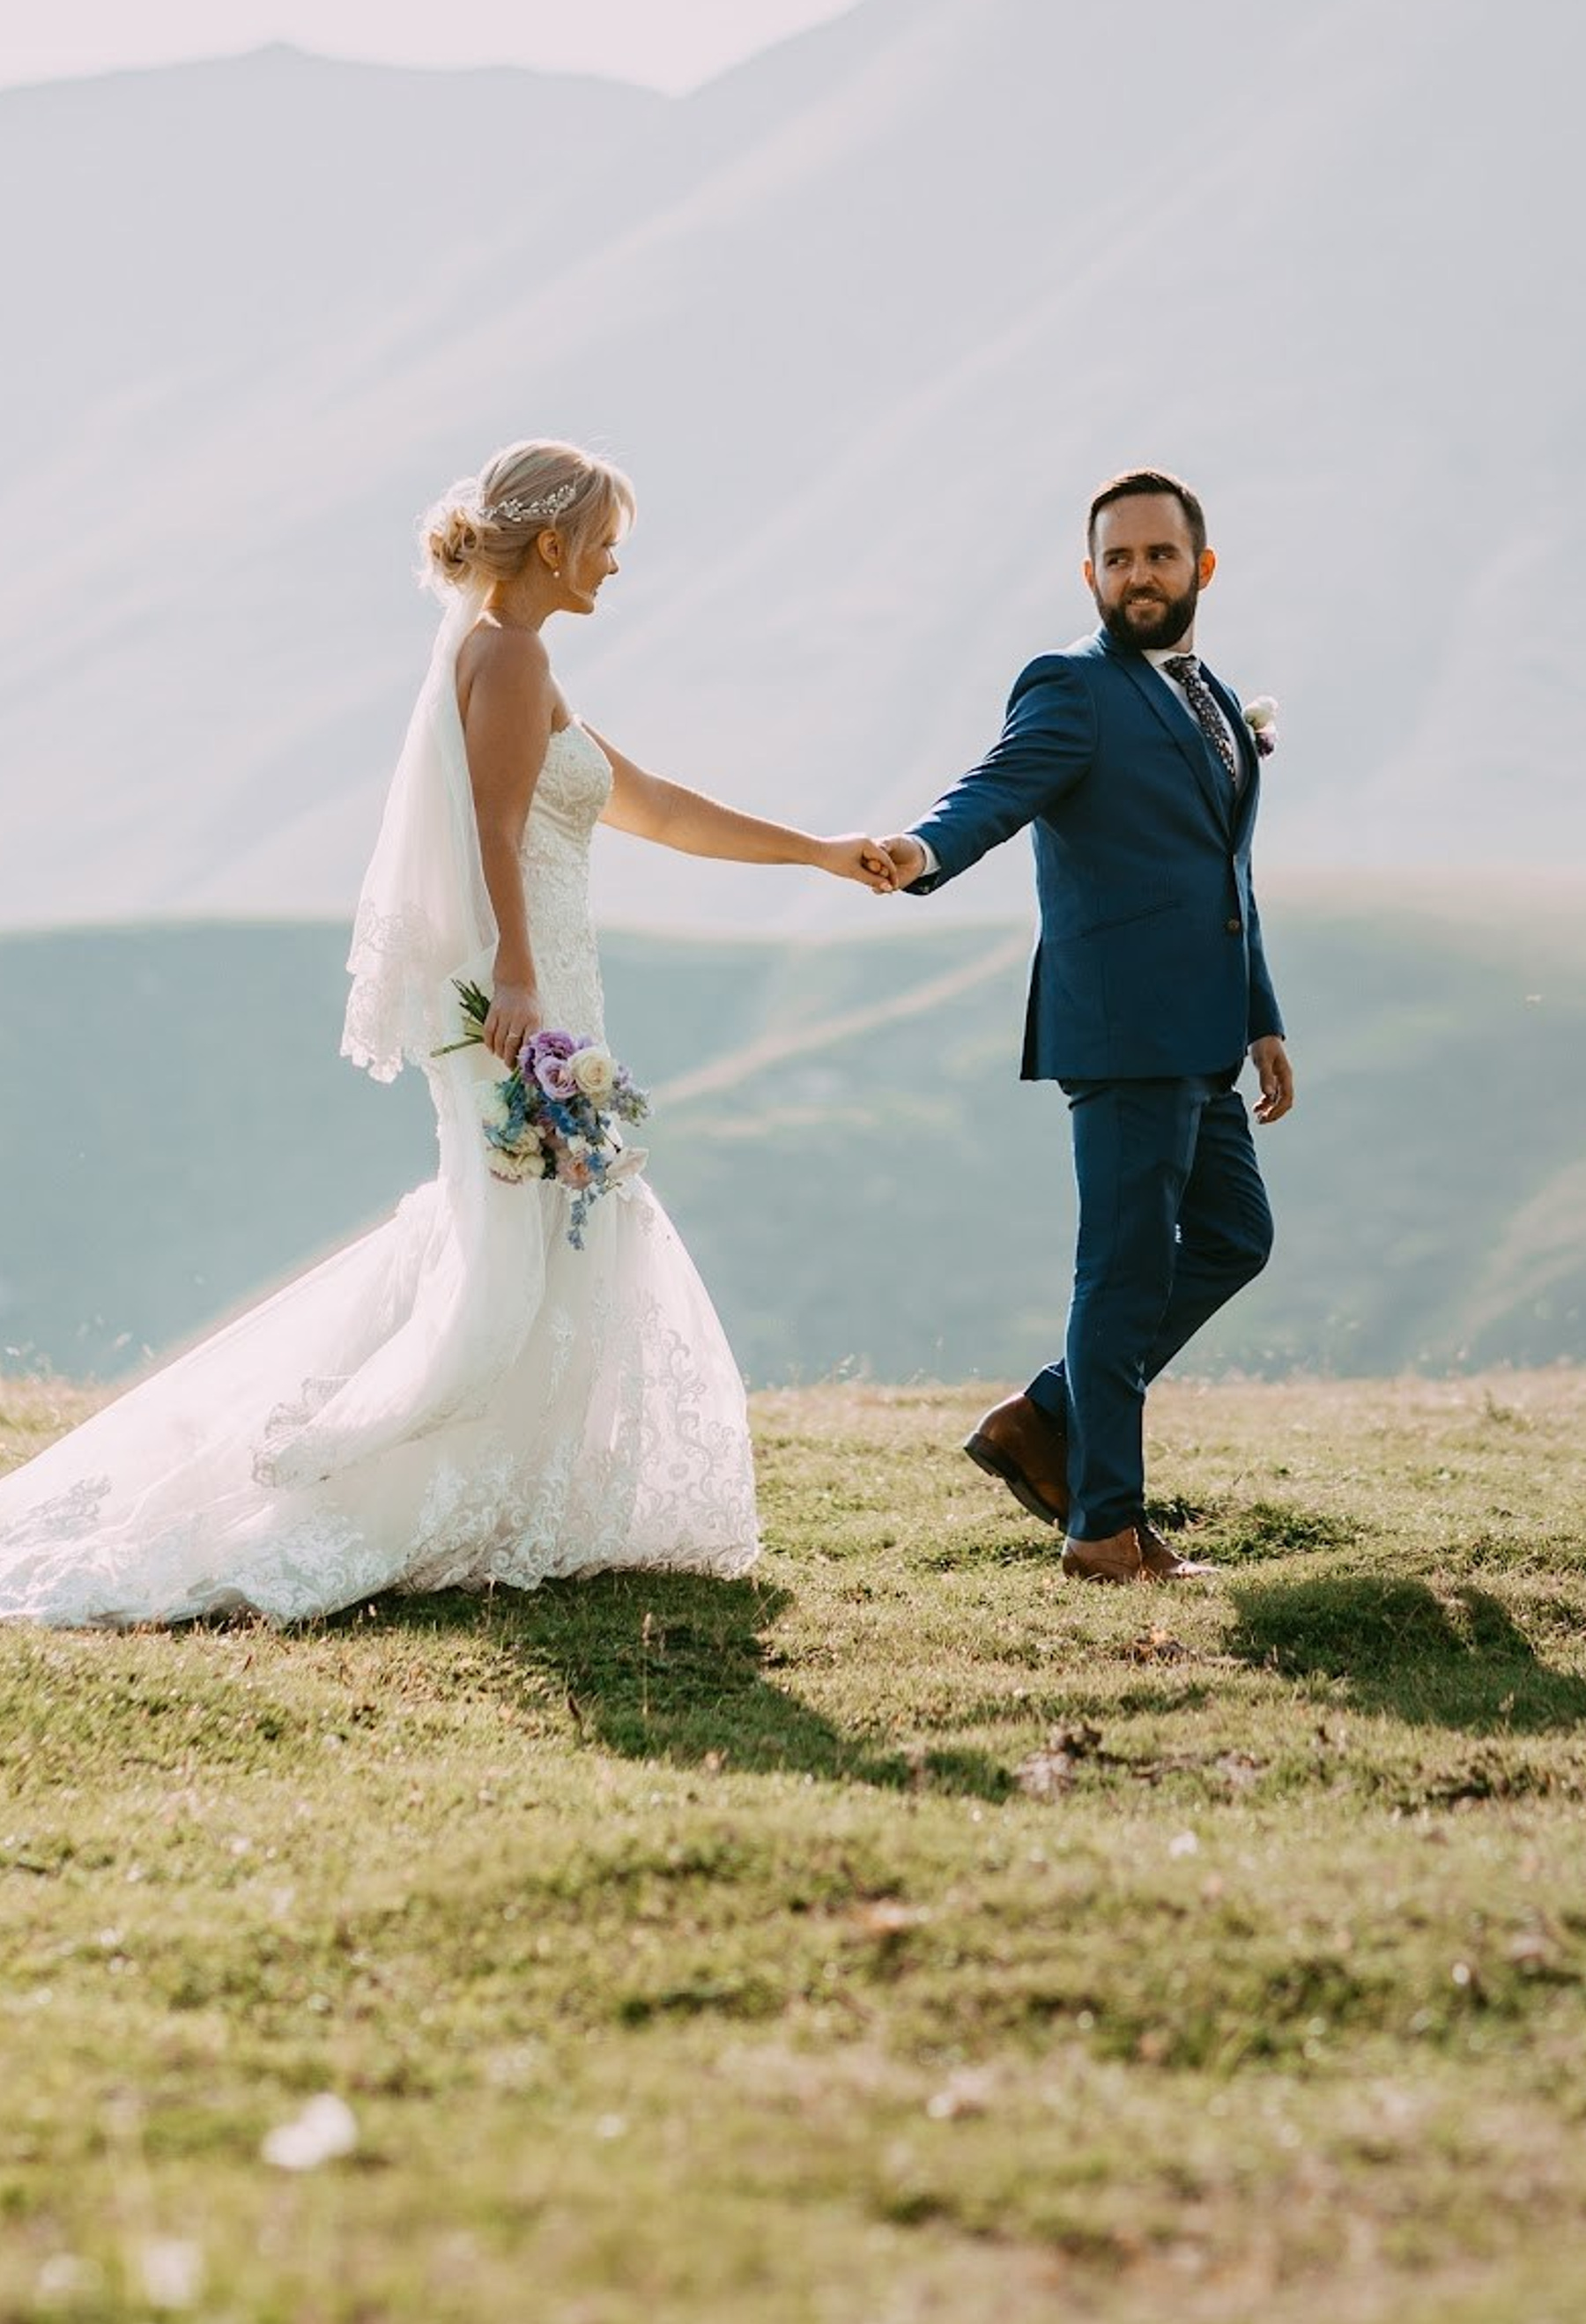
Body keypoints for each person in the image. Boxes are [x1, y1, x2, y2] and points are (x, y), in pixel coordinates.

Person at [0, 439, 893, 1628]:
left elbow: (657, 808)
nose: (619, 567)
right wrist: (520, 979)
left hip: (533, 997)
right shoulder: (510, 657)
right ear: (557, 544)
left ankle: (513, 1491)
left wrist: (820, 852)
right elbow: (494, 822)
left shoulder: (516, 660)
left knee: (529, 1233)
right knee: (521, 1240)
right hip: (519, 1004)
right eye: (610, 542)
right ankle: (392, 1476)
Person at [882, 466, 1291, 1585]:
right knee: (1118, 1276)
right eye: (1117, 559)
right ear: (1089, 574)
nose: (1138, 576)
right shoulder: (1071, 684)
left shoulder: (1212, 698)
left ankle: (1046, 1415)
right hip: (1119, 1033)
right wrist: (923, 851)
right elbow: (994, 791)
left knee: (1232, 1240)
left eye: (1159, 556)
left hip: (1204, 1036)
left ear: (1200, 568)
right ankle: (1104, 1530)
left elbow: (1227, 873)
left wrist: (1261, 1017)